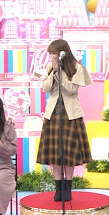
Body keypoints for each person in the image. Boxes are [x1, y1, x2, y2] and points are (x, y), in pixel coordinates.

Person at [37, 39, 92, 201]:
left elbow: (72, 89)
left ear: (62, 53)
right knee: (55, 153)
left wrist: (59, 72)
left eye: (54, 53)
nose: (51, 57)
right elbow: (45, 88)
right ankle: (58, 187)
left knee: (69, 153)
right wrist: (53, 72)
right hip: (53, 114)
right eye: (50, 54)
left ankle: (68, 187)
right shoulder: (50, 67)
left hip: (70, 115)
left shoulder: (76, 68)